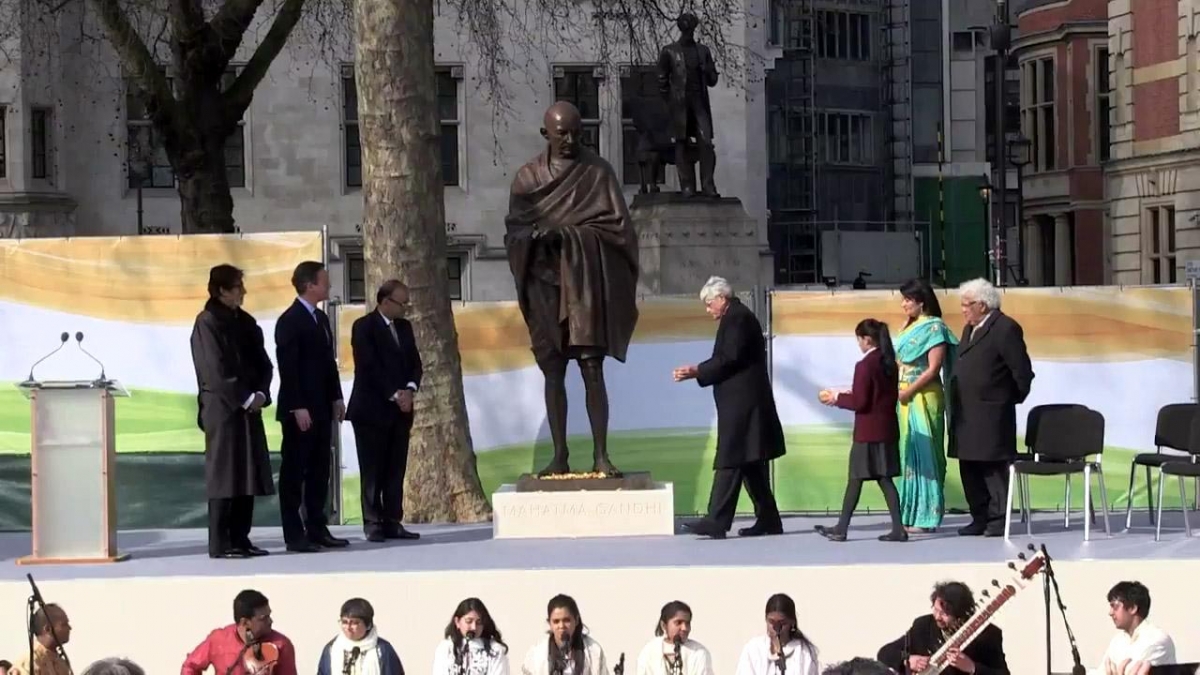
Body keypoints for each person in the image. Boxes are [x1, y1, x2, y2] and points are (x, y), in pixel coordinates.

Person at [504, 100, 640, 477]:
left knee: (591, 367)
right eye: (562, 132)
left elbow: (619, 230)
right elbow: (513, 231)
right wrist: (534, 237)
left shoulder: (598, 173)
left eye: (577, 132)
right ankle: (560, 454)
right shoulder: (528, 178)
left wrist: (568, 235)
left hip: (584, 283)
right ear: (546, 132)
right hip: (545, 283)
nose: (570, 139)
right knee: (553, 370)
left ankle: (601, 455)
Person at [673, 276, 785, 539]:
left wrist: (697, 370)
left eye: (709, 303)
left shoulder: (737, 318)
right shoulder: (737, 316)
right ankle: (769, 519)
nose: (708, 309)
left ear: (722, 299)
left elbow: (729, 358)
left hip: (743, 404)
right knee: (749, 462)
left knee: (731, 457)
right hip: (745, 403)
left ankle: (716, 520)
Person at [190, 264, 276, 559]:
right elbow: (214, 371)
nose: (243, 292)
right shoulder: (208, 322)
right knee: (225, 474)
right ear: (222, 290)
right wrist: (243, 397)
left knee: (247, 473)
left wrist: (261, 394)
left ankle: (241, 538)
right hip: (223, 410)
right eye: (238, 287)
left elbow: (264, 364)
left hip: (249, 408)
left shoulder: (246, 322)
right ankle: (221, 542)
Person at [950, 278, 1034, 537]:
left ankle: (998, 520)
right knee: (970, 467)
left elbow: (1022, 372)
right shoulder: (969, 329)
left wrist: (1004, 399)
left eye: (968, 304)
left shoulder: (1005, 328)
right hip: (966, 413)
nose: (963, 309)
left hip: (992, 414)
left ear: (983, 306)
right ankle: (979, 516)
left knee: (992, 469)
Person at [275, 260, 349, 552]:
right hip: (300, 411)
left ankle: (317, 528)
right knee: (295, 473)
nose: (328, 286)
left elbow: (327, 366)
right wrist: (297, 406)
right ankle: (294, 534)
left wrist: (337, 397)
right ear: (309, 285)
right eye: (324, 281)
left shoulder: (320, 319)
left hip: (321, 408)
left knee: (320, 471)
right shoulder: (290, 320)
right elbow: (288, 367)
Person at [815, 319, 906, 542]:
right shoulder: (889, 363)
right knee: (885, 479)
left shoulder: (864, 365)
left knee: (855, 479)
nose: (858, 343)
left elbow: (860, 402)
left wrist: (837, 398)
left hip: (867, 432)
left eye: (859, 339)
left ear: (867, 339)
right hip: (887, 429)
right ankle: (898, 528)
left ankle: (841, 528)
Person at [346, 280, 423, 542]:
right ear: (385, 301)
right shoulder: (364, 327)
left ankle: (392, 520)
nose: (405, 308)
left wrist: (410, 390)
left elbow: (415, 363)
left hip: (400, 412)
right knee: (372, 469)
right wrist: (394, 394)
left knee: (395, 468)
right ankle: (372, 521)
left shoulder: (405, 328)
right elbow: (369, 366)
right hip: (371, 409)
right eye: (402, 303)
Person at [894, 279, 957, 533]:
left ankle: (927, 517)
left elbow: (933, 369)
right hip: (904, 398)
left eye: (908, 300)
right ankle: (908, 513)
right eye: (903, 300)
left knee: (927, 453)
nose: (903, 304)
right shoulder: (907, 327)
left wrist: (909, 389)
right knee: (908, 454)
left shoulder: (934, 328)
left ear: (922, 301)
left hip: (923, 396)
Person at [877, 581, 1008, 675]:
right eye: (935, 610)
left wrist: (972, 668)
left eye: (945, 614)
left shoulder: (988, 635)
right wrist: (908, 660)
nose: (937, 617)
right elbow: (885, 653)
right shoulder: (923, 626)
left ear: (960, 616)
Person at [656, 12, 720, 197]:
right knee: (681, 142)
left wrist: (708, 70)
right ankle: (687, 185)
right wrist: (669, 100)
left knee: (706, 143)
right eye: (686, 28)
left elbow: (712, 80)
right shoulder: (669, 51)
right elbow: (661, 78)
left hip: (699, 102)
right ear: (681, 29)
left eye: (691, 28)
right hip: (679, 104)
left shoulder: (703, 51)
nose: (689, 32)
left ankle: (708, 184)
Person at [181, 589, 297, 675]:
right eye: (263, 618)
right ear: (245, 622)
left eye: (269, 615)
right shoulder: (219, 639)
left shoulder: (281, 644)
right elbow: (190, 666)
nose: (270, 621)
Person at [1092, 581, 1176, 675]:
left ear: (1132, 608)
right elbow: (1101, 671)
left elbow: (1131, 671)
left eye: (1115, 607)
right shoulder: (1117, 641)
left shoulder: (1157, 639)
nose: (1110, 613)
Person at [521, 594, 609, 675]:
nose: (561, 626)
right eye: (556, 621)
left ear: (576, 620)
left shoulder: (594, 651)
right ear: (550, 624)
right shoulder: (536, 654)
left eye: (566, 620)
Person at [734, 594, 820, 675]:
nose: (776, 628)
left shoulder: (805, 652)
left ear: (792, 622)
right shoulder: (753, 649)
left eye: (782, 623)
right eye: (771, 622)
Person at [317, 598, 404, 675]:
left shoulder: (383, 650)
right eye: (344, 622)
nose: (348, 627)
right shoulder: (331, 649)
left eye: (354, 623)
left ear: (368, 625)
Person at [433, 598, 509, 675]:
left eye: (479, 622)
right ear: (457, 622)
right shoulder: (445, 648)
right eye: (469, 621)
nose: (474, 627)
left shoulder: (495, 650)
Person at [635, 601, 715, 675]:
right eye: (678, 623)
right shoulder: (649, 652)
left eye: (687, 623)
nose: (685, 628)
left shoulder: (699, 652)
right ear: (664, 625)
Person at [11, 604, 71, 675]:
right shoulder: (28, 664)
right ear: (48, 629)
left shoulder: (61, 663)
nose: (69, 628)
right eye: (64, 624)